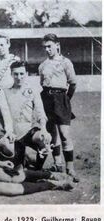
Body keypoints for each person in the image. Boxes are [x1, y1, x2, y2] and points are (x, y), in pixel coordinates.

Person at [39, 33, 79, 182]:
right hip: (46, 99)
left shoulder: (65, 62)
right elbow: (42, 83)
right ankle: (58, 164)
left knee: (64, 134)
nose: (47, 49)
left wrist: (66, 99)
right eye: (45, 47)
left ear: (57, 45)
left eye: (49, 46)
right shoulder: (42, 65)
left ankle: (70, 168)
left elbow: (73, 83)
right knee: (51, 135)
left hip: (61, 98)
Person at [5, 61, 51, 170]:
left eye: (21, 74)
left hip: (28, 131)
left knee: (45, 139)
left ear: (26, 73)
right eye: (15, 74)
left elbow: (40, 112)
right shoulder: (6, 92)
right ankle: (25, 160)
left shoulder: (33, 91)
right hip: (13, 136)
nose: (19, 77)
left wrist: (44, 129)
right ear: (11, 74)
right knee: (18, 171)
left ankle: (38, 170)